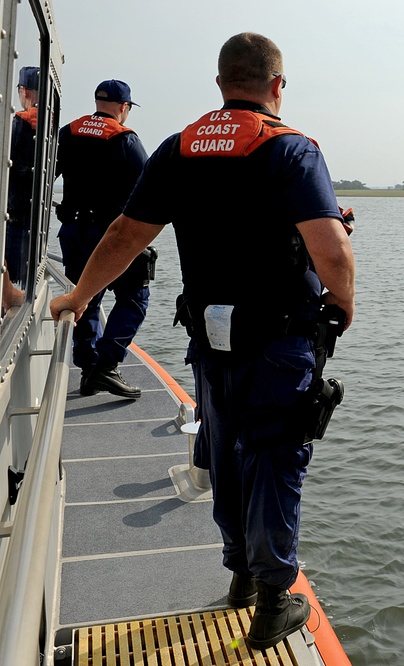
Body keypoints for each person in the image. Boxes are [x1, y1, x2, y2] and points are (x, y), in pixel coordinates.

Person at [50, 32, 355, 651]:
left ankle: (240, 573)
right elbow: (331, 250)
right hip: (278, 339)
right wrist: (342, 302)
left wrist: (78, 296)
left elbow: (125, 232)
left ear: (220, 84)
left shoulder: (179, 148)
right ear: (277, 85)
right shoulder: (292, 150)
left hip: (211, 338)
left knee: (226, 449)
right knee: (274, 455)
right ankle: (273, 600)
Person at [55, 80, 152, 399]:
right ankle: (106, 368)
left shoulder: (68, 132)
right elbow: (152, 188)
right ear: (124, 107)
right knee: (135, 297)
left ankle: (87, 370)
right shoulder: (125, 139)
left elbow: (44, 174)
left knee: (84, 299)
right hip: (112, 237)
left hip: (73, 233)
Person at [6, 66, 40, 286]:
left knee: (9, 284)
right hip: (33, 218)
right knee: (28, 281)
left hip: (14, 216)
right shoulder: (49, 123)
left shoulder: (19, 123)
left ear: (24, 91)